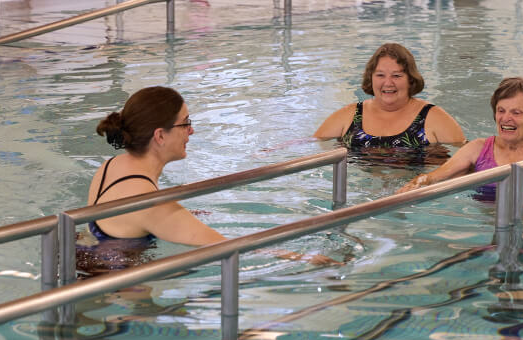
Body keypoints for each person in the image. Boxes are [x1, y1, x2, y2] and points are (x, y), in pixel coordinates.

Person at [81, 86, 336, 273]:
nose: (191, 130)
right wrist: (300, 257)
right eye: (185, 123)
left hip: (83, 265)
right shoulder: (150, 203)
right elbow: (224, 246)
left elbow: (121, 223)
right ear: (160, 136)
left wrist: (182, 215)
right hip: (118, 295)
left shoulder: (111, 166)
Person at [315, 42, 465, 150]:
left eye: (397, 76)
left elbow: (469, 157)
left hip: (417, 190)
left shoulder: (433, 118)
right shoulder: (351, 115)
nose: (388, 83)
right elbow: (309, 145)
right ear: (371, 78)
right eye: (380, 75)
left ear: (410, 80)